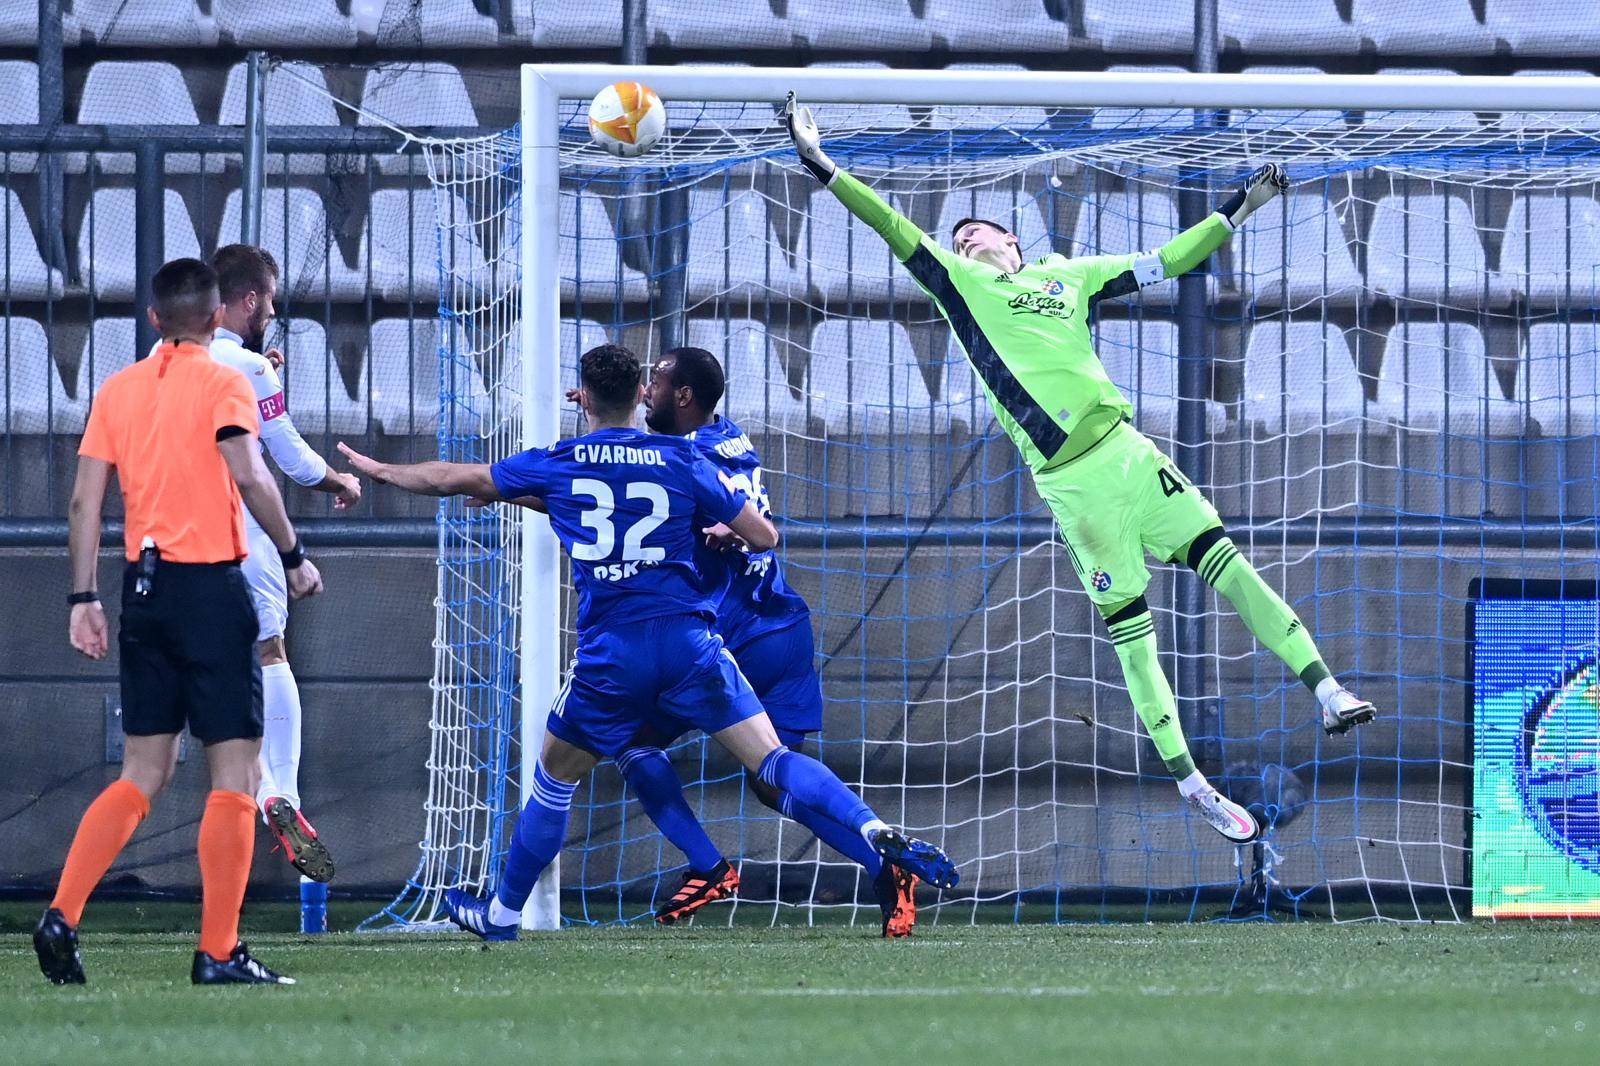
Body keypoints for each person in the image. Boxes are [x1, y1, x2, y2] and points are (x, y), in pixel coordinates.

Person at [784, 93, 1374, 845]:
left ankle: (1326, 690)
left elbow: (1168, 261)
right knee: (1137, 637)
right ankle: (1193, 783)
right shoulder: (964, 288)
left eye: (976, 230)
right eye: (957, 238)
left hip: (1132, 454)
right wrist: (825, 166)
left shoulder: (1071, 275)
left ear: (1013, 241)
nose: (964, 240)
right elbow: (894, 226)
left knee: (1230, 566)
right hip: (1075, 486)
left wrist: (1237, 210)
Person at [336, 342, 957, 940]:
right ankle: (871, 832)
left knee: (558, 775)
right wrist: (721, 526)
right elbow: (762, 534)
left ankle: (505, 912)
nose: (654, 385)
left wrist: (382, 469)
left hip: (620, 651)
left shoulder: (566, 459)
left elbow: (456, 477)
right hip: (703, 640)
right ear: (639, 394)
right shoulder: (692, 455)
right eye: (648, 379)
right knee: (771, 769)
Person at [38, 257, 323, 987]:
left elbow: (83, 503)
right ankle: (219, 950)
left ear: (155, 318)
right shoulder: (228, 380)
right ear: (219, 316)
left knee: (143, 770)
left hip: (142, 590)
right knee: (232, 771)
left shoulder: (119, 389)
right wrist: (292, 553)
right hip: (210, 587)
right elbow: (251, 469)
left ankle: (63, 915)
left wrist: (82, 599)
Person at [612, 346, 917, 937]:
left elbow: (653, 470)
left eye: (656, 381)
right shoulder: (733, 435)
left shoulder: (680, 455)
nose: (647, 389)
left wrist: (608, 414)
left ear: (682, 397)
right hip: (782, 631)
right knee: (774, 778)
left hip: (721, 640)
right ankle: (883, 859)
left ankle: (707, 867)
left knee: (626, 740)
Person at [208, 244, 359, 885]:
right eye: (269, 299)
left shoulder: (167, 363)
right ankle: (283, 795)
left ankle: (262, 791)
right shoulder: (251, 368)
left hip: (172, 539)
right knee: (269, 653)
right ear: (250, 300)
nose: (272, 310)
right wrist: (340, 482)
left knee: (204, 694)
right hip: (243, 527)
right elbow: (290, 459)